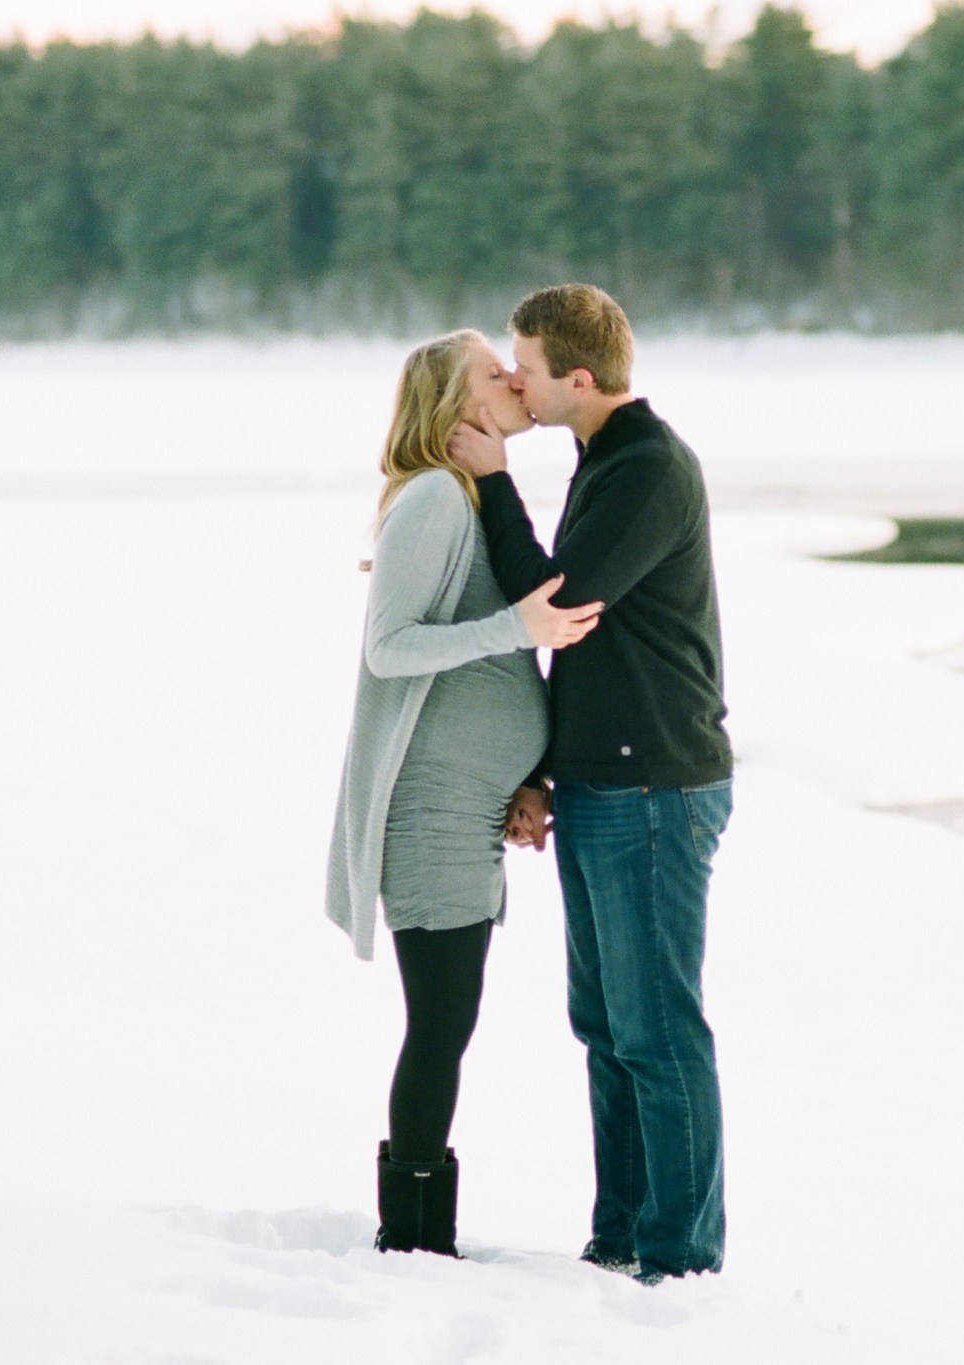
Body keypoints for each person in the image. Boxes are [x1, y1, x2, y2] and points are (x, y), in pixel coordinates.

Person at [448, 283, 734, 1286]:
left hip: (655, 784)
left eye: (525, 364)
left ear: (578, 377)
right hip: (609, 782)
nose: (515, 380)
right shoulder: (606, 460)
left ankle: (678, 1259)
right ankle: (618, 1243)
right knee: (608, 1028)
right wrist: (540, 771)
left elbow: (558, 607)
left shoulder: (647, 467)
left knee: (656, 1030)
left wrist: (489, 481)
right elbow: (585, 647)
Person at [327, 329, 604, 1257]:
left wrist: (525, 773)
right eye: (496, 372)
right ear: (459, 406)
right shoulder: (435, 502)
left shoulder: (469, 495)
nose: (516, 379)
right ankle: (411, 1239)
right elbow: (390, 648)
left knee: (449, 1020)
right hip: (431, 810)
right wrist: (515, 625)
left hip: (473, 807)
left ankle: (415, 1233)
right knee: (441, 1022)